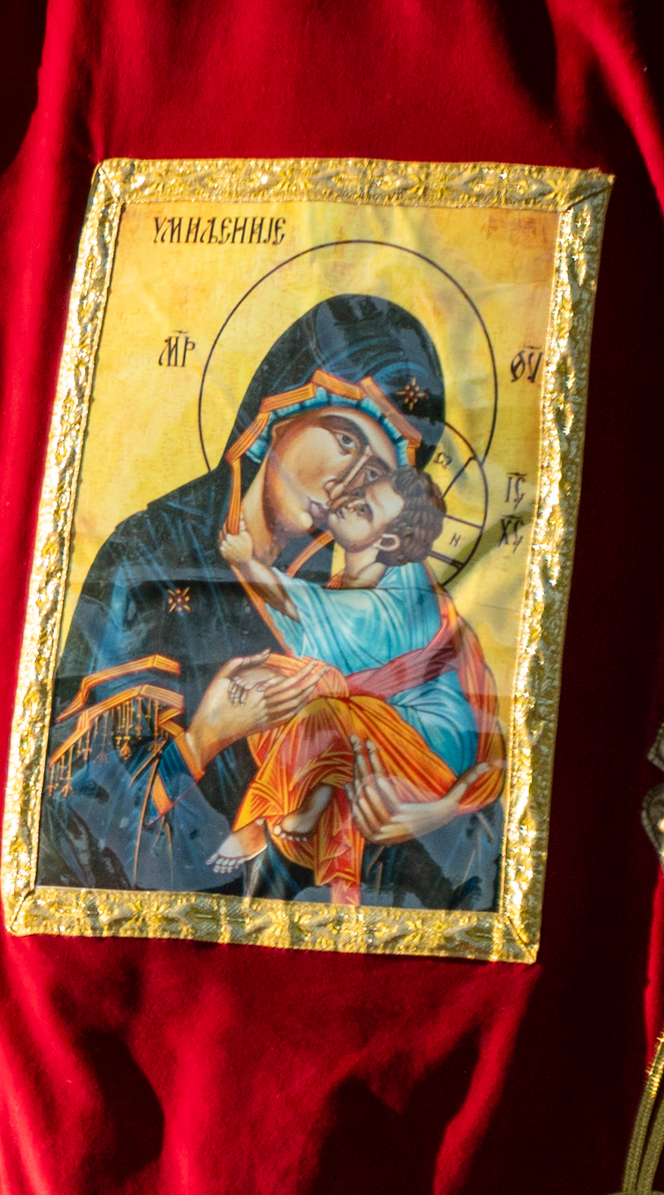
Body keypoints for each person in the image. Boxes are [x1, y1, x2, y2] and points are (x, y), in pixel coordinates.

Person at [36, 292, 506, 909]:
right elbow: (63, 804)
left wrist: (423, 814)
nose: (349, 480)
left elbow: (485, 820)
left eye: (375, 472)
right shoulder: (151, 553)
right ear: (283, 412)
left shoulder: (378, 602)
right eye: (343, 440)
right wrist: (204, 738)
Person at [207, 458, 505, 898]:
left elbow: (303, 611)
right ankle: (318, 797)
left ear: (387, 539)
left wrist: (246, 561)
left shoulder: (395, 602)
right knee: (270, 687)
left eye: (363, 509)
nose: (349, 502)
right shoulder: (378, 566)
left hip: (430, 747)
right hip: (380, 725)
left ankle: (261, 821)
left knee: (322, 708)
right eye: (360, 492)